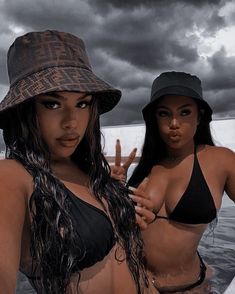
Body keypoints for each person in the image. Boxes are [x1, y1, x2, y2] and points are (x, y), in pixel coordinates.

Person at [0, 30, 156, 294]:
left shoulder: (89, 171)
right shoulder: (12, 178)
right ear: (24, 112)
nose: (72, 122)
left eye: (82, 104)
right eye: (52, 104)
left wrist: (130, 211)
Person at [112, 71, 235, 293]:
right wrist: (113, 191)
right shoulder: (146, 167)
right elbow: (122, 231)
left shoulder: (221, 160)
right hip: (133, 283)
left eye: (185, 112)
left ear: (200, 116)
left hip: (189, 287)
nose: (174, 123)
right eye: (164, 113)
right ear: (154, 119)